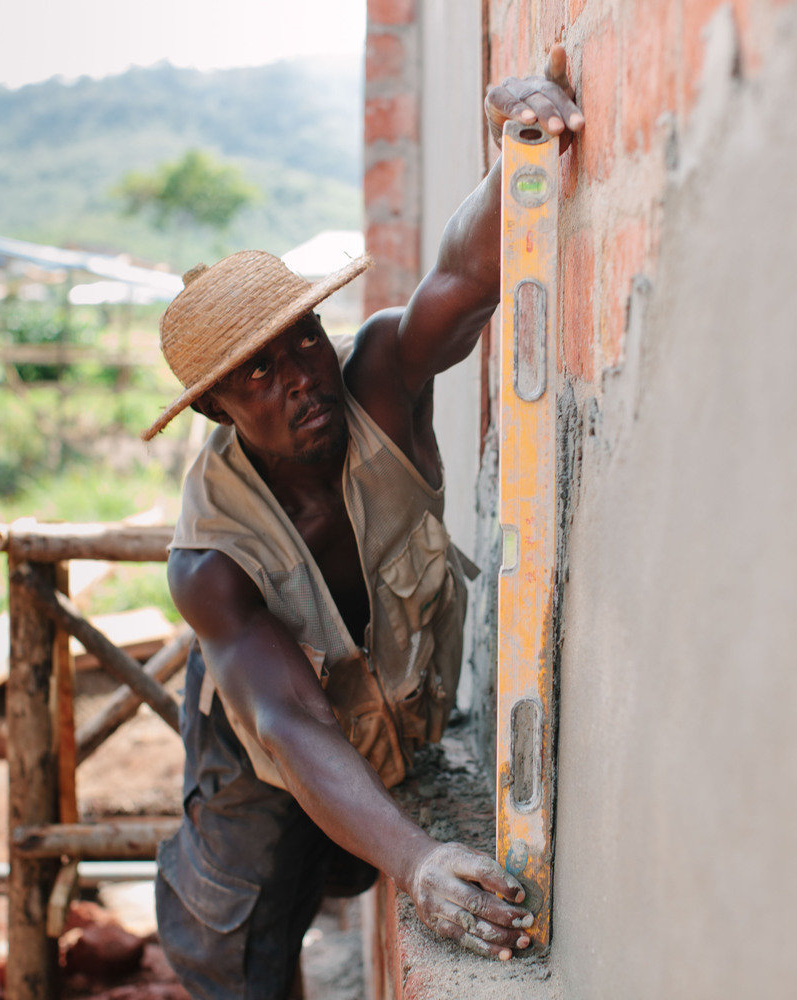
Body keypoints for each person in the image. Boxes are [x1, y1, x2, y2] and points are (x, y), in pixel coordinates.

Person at [141, 45, 583, 1000]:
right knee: (243, 935)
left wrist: (516, 150)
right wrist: (419, 861)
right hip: (261, 739)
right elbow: (289, 721)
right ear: (217, 408)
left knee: (344, 860)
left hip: (382, 713)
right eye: (260, 372)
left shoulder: (377, 378)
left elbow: (463, 280)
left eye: (303, 337)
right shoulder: (211, 564)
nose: (302, 375)